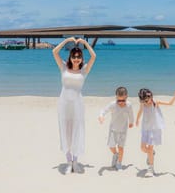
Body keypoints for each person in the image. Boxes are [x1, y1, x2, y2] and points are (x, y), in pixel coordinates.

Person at [52, 36, 96, 174]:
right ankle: (68, 161)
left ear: (81, 58)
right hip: (64, 103)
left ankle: (75, 162)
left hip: (77, 104)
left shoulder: (84, 70)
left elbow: (94, 56)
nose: (76, 59)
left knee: (77, 131)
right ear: (70, 57)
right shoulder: (64, 67)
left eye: (78, 56)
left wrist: (85, 43)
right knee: (65, 131)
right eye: (74, 56)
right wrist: (66, 41)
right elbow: (54, 52)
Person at [135, 88, 175, 177]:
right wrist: (137, 119)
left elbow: (170, 103)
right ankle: (151, 154)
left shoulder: (155, 102)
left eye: (146, 101)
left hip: (154, 129)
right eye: (143, 101)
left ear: (151, 97)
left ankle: (150, 169)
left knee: (150, 148)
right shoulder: (143, 103)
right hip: (145, 128)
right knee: (143, 148)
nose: (145, 103)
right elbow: (140, 111)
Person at [98, 86, 135, 170]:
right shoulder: (113, 104)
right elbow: (104, 110)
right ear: (116, 97)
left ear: (126, 97)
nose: (121, 102)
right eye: (119, 100)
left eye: (123, 100)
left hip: (123, 130)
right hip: (113, 130)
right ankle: (115, 154)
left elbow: (131, 114)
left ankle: (119, 163)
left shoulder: (129, 105)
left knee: (121, 147)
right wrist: (101, 116)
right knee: (111, 146)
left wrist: (131, 122)